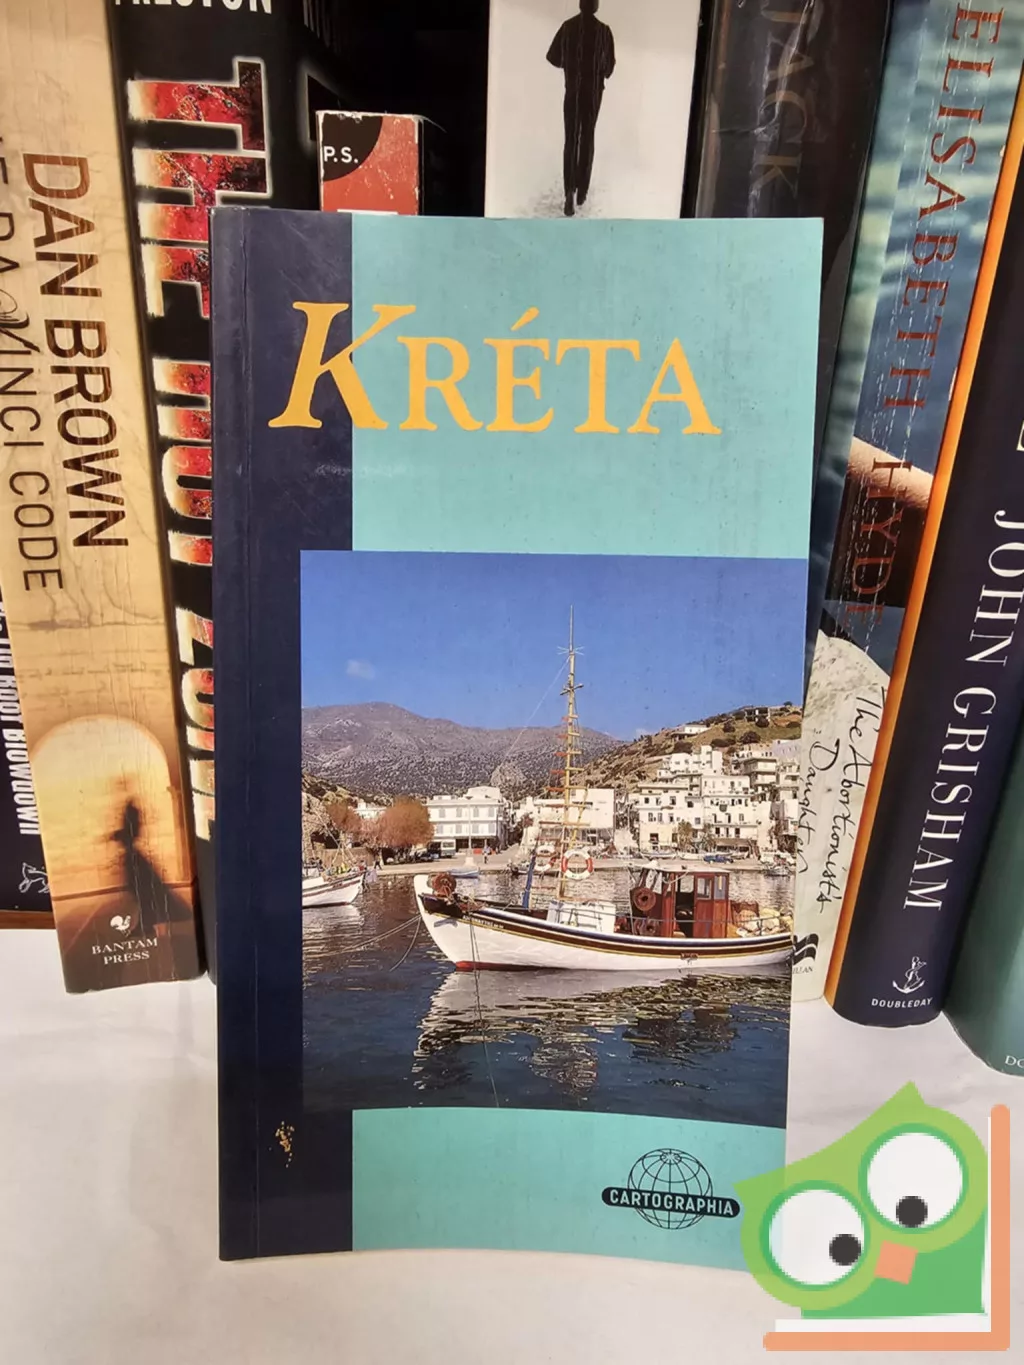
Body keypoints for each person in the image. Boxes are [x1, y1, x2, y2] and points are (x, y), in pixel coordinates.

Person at [546, 0, 615, 217]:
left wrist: (568, 64)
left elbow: (552, 56)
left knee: (571, 140)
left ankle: (569, 191)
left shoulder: (568, 27)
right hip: (593, 94)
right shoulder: (604, 31)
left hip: (573, 90)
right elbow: (609, 68)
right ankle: (582, 191)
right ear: (596, 6)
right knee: (587, 138)